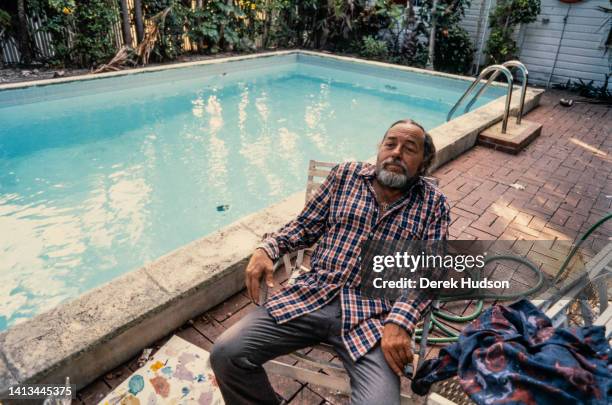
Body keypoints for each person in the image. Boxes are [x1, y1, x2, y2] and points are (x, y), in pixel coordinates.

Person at [210, 119, 450, 405]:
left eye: (409, 148)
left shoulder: (433, 203)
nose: (396, 153)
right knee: (226, 354)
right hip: (311, 296)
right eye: (390, 144)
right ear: (379, 149)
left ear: (423, 163)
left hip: (373, 317)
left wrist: (401, 320)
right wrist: (267, 248)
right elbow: (304, 226)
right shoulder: (345, 176)